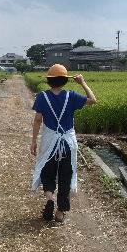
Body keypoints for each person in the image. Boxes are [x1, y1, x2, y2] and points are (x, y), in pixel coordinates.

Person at [30, 64, 96, 222]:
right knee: (66, 175)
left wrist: (33, 141)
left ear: (49, 80)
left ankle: (50, 198)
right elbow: (93, 100)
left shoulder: (42, 97)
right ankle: (60, 213)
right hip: (67, 142)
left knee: (47, 172)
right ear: (65, 80)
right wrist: (83, 83)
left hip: (49, 142)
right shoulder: (71, 96)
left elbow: (38, 120)